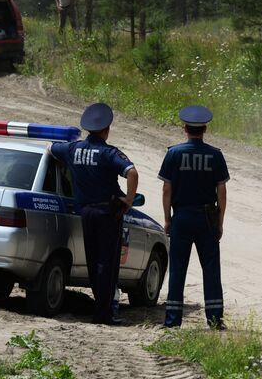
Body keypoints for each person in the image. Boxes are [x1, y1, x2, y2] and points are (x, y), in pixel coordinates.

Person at [49, 102, 138, 325]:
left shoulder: (72, 149)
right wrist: (128, 200)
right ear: (106, 130)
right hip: (108, 212)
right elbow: (132, 173)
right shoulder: (108, 153)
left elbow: (50, 148)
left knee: (93, 260)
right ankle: (103, 313)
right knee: (107, 264)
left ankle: (100, 309)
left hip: (86, 212)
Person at [160, 105, 229, 329]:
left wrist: (167, 219)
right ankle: (215, 320)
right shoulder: (215, 155)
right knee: (211, 269)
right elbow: (222, 191)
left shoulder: (173, 153)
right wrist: (220, 221)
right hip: (207, 217)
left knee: (178, 268)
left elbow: (166, 190)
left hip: (181, 217)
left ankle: (172, 321)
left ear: (185, 129)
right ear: (205, 129)